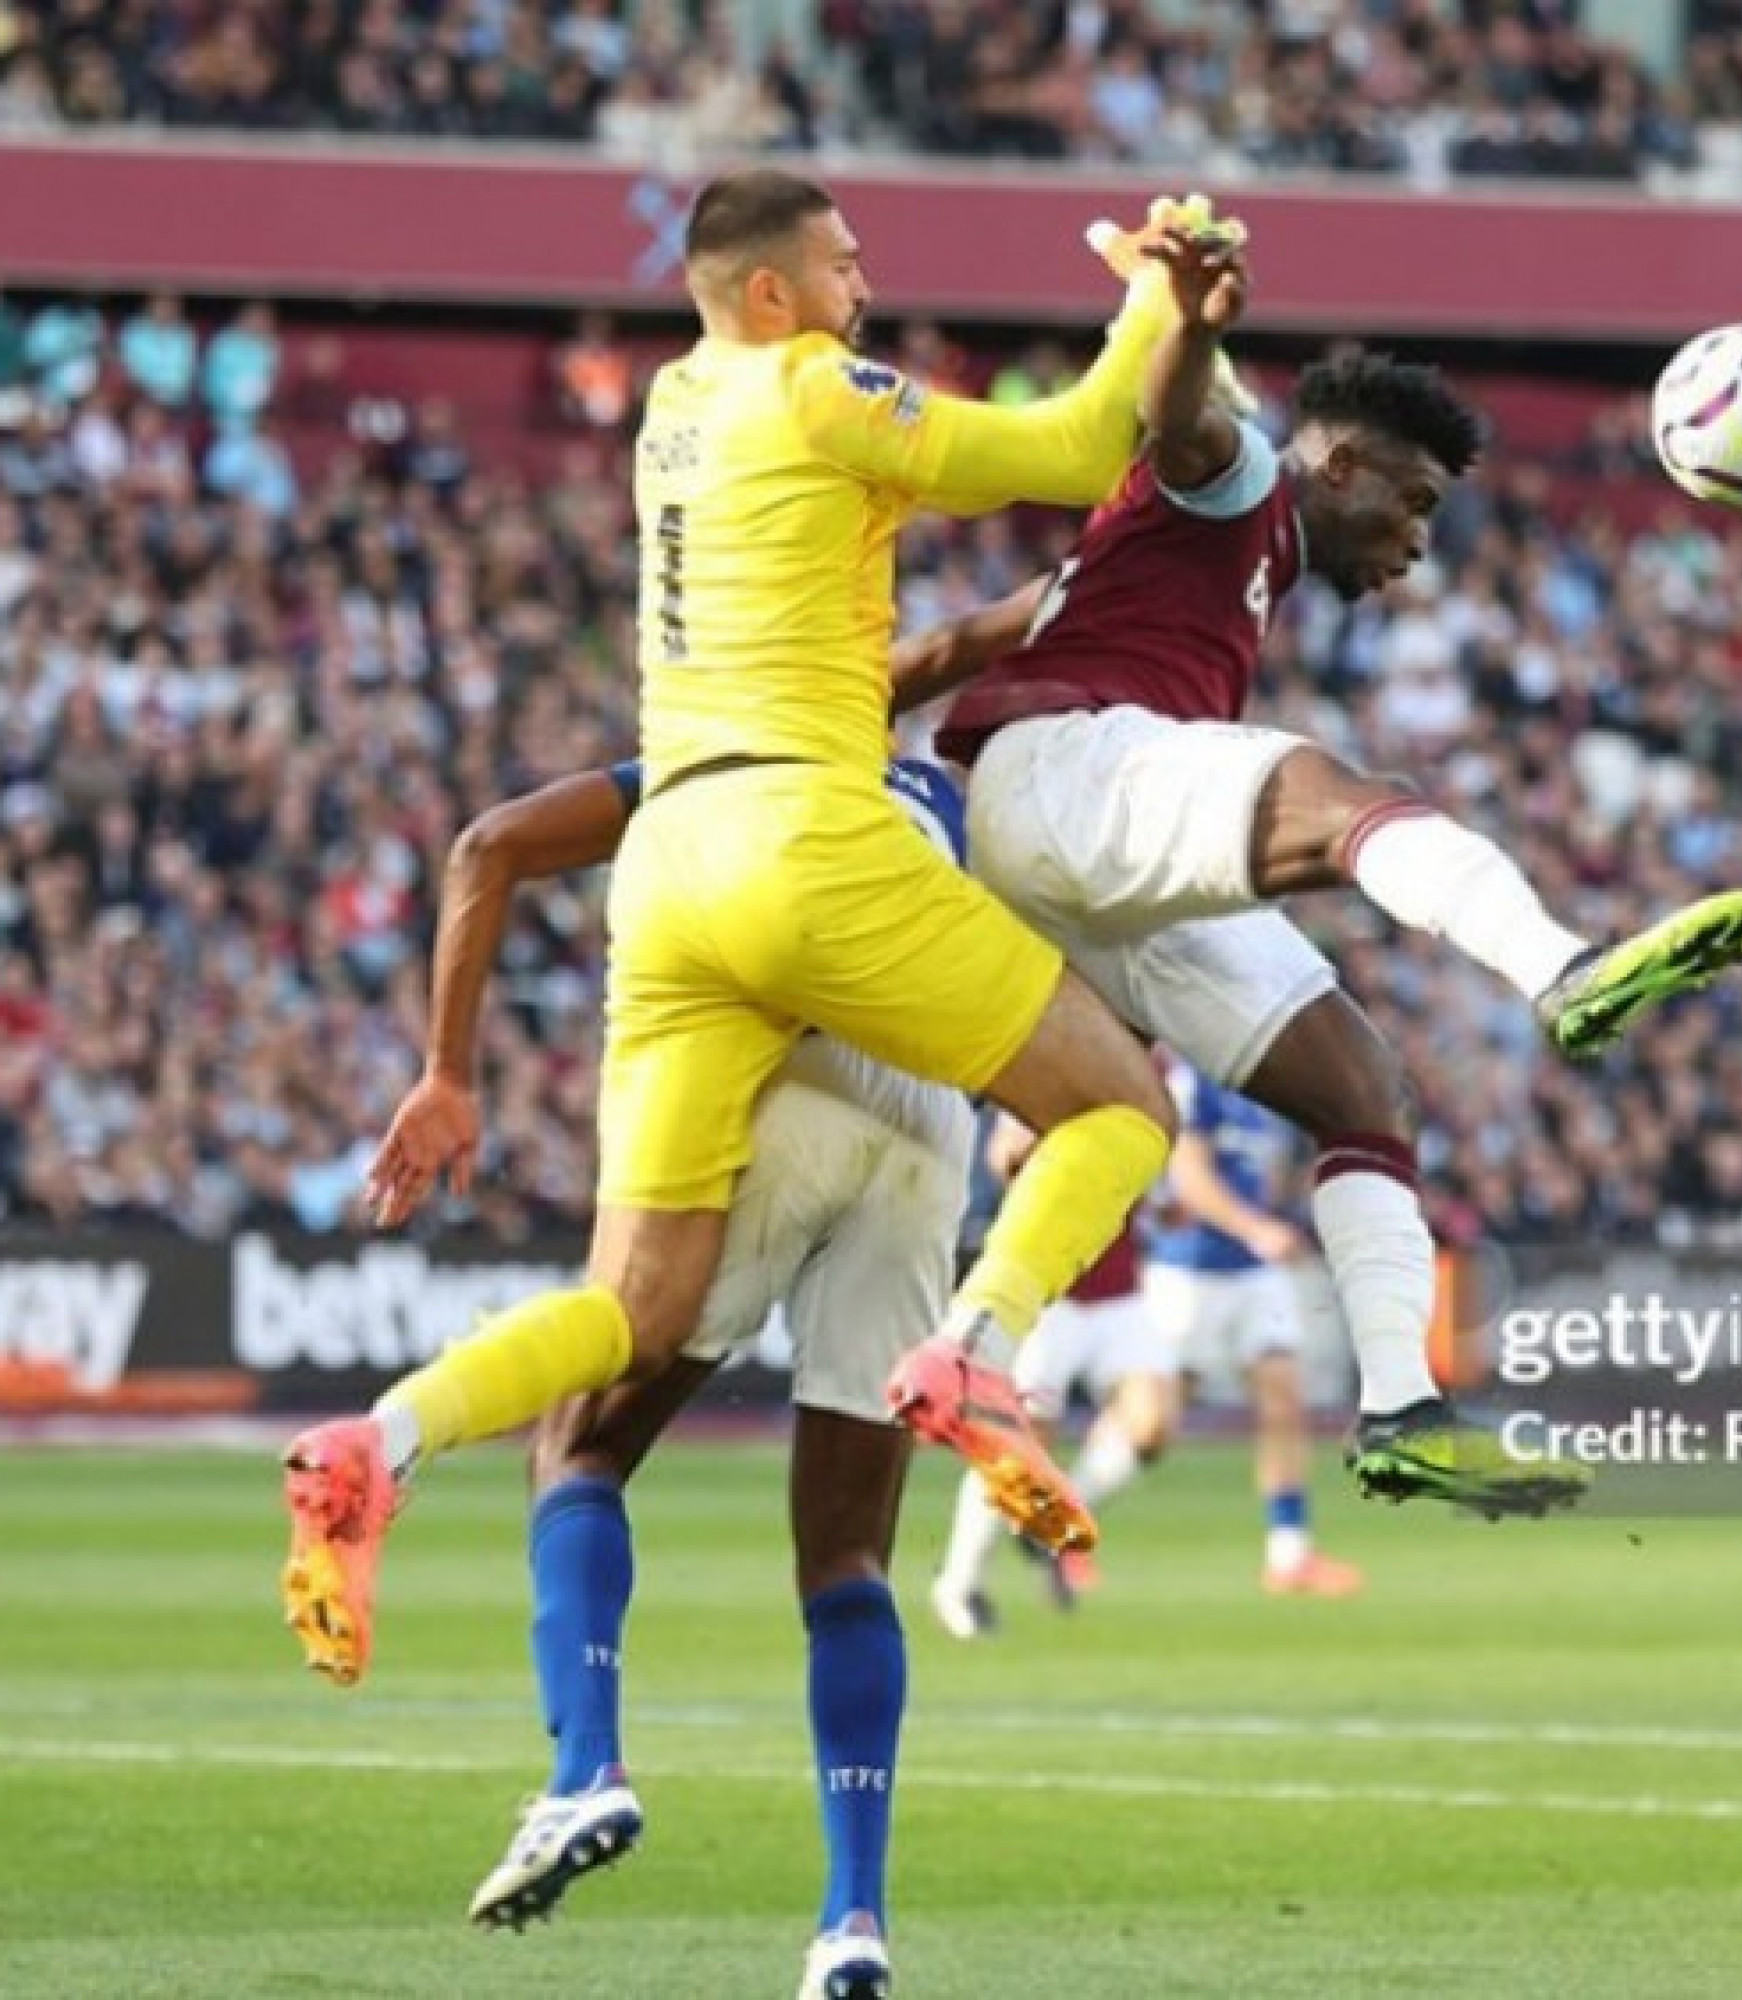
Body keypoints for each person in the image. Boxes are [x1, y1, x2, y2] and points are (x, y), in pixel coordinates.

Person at [281, 172, 1240, 1688]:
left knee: (633, 1310)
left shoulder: (675, 404)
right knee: (1122, 1104)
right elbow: (1068, 442)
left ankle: (378, 1437)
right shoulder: (812, 387)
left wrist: (986, 630)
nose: (868, 291)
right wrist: (1154, 301)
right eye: (846, 269)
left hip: (667, 863)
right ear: (776, 293)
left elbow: (841, 615)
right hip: (810, 840)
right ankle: (976, 1356)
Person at [904, 275, 1742, 1517]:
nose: (1415, 542)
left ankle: (1372, 1406)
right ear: (1345, 464)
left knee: (1359, 1091)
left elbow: (942, 653)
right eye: (1412, 504)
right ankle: (1561, 970)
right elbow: (1179, 413)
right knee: (1338, 792)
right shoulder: (1244, 479)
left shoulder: (1184, 568)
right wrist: (1192, 326)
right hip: (1061, 771)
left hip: (1068, 849)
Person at [370, 755, 976, 2000]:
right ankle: (850, 1921)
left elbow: (488, 840)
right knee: (847, 1558)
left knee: (579, 1440)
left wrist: (448, 1067)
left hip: (790, 1083)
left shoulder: (739, 734)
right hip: (936, 1121)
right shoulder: (965, 794)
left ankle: (586, 1761)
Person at [930, 1124, 1175, 1641]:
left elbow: (1158, 1186)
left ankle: (1048, 1522)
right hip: (1048, 1297)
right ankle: (958, 1582)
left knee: (1153, 1426)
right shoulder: (1052, 1080)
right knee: (1016, 1448)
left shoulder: (1138, 1088)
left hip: (1118, 1294)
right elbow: (1004, 1154)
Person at [1144, 1058, 1366, 1597]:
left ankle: (1289, 1552)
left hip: (1253, 1271)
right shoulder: (1192, 1079)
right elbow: (1188, 1174)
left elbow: (1266, 1177)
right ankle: (1063, 1532)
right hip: (1188, 1270)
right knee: (1151, 1428)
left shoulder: (1266, 1094)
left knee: (1285, 1397)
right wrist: (1255, 1227)